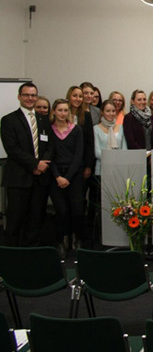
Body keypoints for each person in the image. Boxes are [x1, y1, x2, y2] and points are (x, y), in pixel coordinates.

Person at [1, 83, 53, 246]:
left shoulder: (43, 120)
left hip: (40, 180)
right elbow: (12, 149)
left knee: (36, 220)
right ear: (19, 97)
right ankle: (13, 259)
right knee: (15, 220)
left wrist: (43, 164)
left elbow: (50, 145)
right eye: (26, 95)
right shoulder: (9, 120)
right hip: (18, 179)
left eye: (33, 95)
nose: (30, 98)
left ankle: (32, 257)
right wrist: (35, 165)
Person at [48, 99, 85, 258]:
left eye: (65, 110)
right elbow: (49, 156)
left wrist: (68, 177)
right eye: (60, 110)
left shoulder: (76, 130)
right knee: (61, 211)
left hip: (74, 175)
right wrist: (58, 176)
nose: (63, 113)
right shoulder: (49, 131)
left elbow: (78, 155)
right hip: (56, 176)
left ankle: (77, 238)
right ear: (54, 112)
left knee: (77, 210)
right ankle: (62, 240)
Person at [92, 99, 127, 246]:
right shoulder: (96, 128)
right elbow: (97, 152)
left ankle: (117, 237)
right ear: (102, 112)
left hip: (118, 172)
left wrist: (118, 160)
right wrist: (112, 158)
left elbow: (124, 148)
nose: (111, 114)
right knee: (103, 207)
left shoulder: (121, 128)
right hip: (102, 171)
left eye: (113, 111)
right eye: (108, 111)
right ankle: (102, 240)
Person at [66, 86, 94, 181]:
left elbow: (90, 142)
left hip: (81, 163)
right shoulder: (62, 114)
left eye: (80, 96)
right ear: (69, 97)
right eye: (75, 96)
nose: (78, 99)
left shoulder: (86, 115)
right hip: (64, 162)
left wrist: (88, 166)